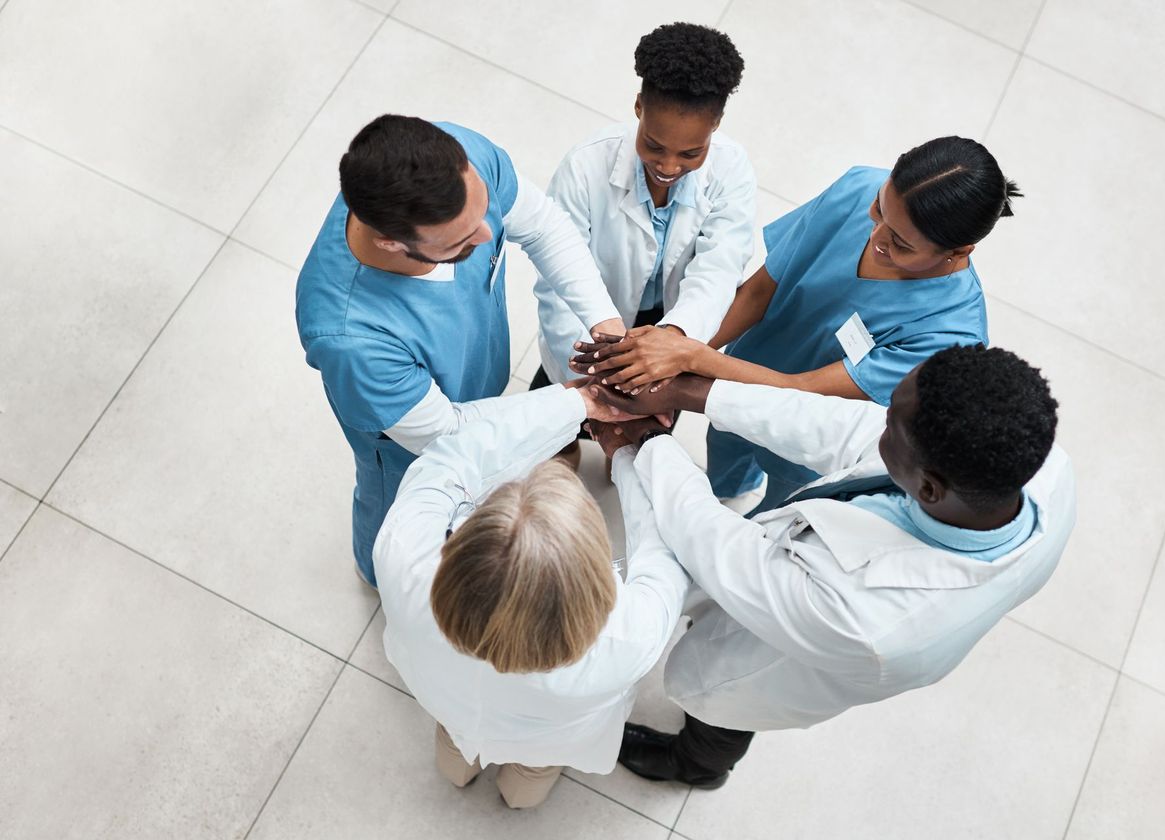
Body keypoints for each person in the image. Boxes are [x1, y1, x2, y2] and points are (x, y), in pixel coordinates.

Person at [586, 344, 1073, 788]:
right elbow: (834, 426)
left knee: (723, 716)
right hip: (802, 601)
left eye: (891, 427)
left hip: (779, 664)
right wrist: (688, 392)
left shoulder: (868, 618)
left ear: (928, 489)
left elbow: (714, 544)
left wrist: (645, 444)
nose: (878, 422)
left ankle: (696, 768)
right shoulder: (1034, 464)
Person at [575, 137, 1019, 509]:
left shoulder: (948, 335)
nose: (875, 237)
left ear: (959, 252)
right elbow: (758, 292)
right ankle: (729, 494)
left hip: (804, 444)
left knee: (779, 516)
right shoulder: (856, 187)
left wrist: (691, 357)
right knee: (724, 464)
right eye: (879, 210)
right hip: (726, 383)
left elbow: (804, 395)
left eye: (899, 244)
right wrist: (670, 346)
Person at [296, 115, 626, 587]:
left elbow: (543, 227)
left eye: (482, 213)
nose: (488, 236)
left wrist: (606, 324)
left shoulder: (458, 156)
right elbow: (446, 436)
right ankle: (377, 576)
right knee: (397, 527)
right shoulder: (353, 338)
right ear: (391, 242)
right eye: (462, 242)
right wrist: (581, 402)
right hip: (408, 444)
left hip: (474, 386)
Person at [372, 381, 687, 808]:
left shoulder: (403, 558)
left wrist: (577, 401)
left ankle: (457, 770)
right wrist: (630, 454)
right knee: (533, 772)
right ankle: (520, 794)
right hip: (548, 738)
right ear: (591, 574)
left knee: (455, 742)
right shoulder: (629, 639)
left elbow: (455, 457)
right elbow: (662, 551)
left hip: (450, 704)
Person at [530, 21, 755, 466]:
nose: (669, 165)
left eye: (691, 153)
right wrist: (596, 369)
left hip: (672, 323)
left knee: (640, 434)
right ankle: (563, 450)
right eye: (654, 145)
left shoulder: (733, 172)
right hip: (587, 327)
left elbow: (718, 273)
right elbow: (558, 281)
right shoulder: (584, 167)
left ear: (717, 125)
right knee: (556, 431)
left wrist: (672, 340)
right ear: (638, 107)